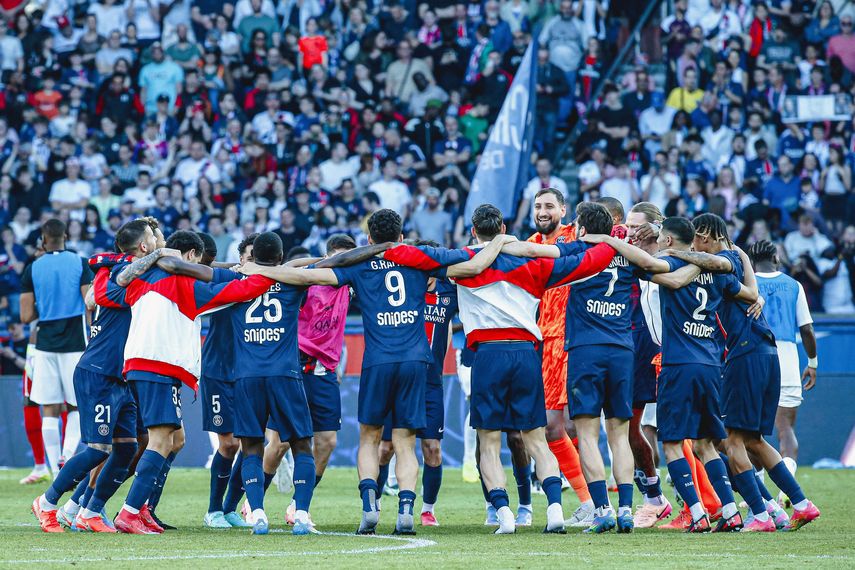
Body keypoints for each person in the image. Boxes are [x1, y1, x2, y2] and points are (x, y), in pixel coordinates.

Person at [241, 208, 512, 535]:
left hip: (377, 361)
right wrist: (499, 240)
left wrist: (257, 269)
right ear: (400, 236)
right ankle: (407, 510)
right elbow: (475, 264)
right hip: (416, 361)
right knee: (404, 442)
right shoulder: (419, 258)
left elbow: (307, 276)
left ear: (369, 239)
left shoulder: (359, 263)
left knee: (369, 439)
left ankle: (369, 506)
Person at [386, 203, 617, 534]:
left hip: (487, 355)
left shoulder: (462, 260)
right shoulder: (533, 261)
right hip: (526, 353)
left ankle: (505, 515)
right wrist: (605, 241)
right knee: (536, 439)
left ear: (473, 231)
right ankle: (553, 511)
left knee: (489, 442)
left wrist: (381, 247)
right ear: (505, 230)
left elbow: (410, 256)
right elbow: (588, 261)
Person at [582, 217, 754, 533]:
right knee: (705, 443)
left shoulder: (669, 263)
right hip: (711, 363)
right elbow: (751, 294)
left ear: (670, 240)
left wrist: (609, 241)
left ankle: (698, 512)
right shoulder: (717, 270)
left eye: (662, 237)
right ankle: (730, 511)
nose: (658, 241)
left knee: (672, 442)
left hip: (678, 362)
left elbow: (661, 274)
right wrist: (728, 262)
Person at [101, 230, 274, 534]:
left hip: (141, 366)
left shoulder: (140, 279)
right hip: (158, 366)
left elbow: (107, 290)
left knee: (173, 439)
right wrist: (270, 275)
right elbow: (239, 292)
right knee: (160, 440)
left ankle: (138, 509)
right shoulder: (185, 285)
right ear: (191, 256)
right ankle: (128, 512)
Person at [670, 216, 821, 532]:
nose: (694, 245)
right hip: (767, 352)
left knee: (731, 438)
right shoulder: (738, 255)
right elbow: (750, 291)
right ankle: (801, 505)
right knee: (753, 439)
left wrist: (672, 254)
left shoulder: (723, 260)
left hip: (744, 352)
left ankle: (761, 515)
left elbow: (715, 266)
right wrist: (755, 293)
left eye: (697, 239)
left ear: (708, 236)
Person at [31, 221, 161, 533]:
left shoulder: (116, 270)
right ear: (143, 247)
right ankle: (47, 503)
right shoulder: (121, 274)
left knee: (128, 447)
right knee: (97, 449)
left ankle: (89, 510)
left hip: (120, 376)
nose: (158, 242)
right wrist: (161, 254)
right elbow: (101, 292)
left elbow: (92, 299)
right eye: (153, 238)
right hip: (99, 373)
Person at [524, 188, 593, 528]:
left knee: (565, 425)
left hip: (572, 336)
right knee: (558, 426)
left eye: (549, 205)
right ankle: (592, 499)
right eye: (538, 206)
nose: (542, 211)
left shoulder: (574, 234)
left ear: (563, 210)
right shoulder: (529, 241)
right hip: (544, 338)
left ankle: (593, 499)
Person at [20, 219, 93, 478]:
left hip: (45, 343)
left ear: (43, 238)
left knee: (49, 408)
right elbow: (89, 302)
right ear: (65, 236)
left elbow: (26, 315)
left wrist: (47, 303)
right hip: (75, 342)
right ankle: (67, 456)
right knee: (75, 406)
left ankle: (53, 469)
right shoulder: (80, 262)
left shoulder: (33, 268)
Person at [751, 240, 818, 506]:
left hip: (755, 355)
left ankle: (757, 490)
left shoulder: (746, 282)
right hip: (788, 357)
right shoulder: (794, 285)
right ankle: (786, 484)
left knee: (749, 431)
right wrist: (812, 362)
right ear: (776, 258)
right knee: (785, 428)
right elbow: (807, 330)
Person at [200, 233, 257, 529]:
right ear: (240, 259)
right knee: (229, 443)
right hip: (219, 371)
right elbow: (206, 268)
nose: (252, 263)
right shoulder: (224, 281)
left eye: (258, 257)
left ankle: (231, 508)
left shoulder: (268, 287)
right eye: (248, 257)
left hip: (250, 374)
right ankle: (213, 511)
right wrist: (235, 269)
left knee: (249, 443)